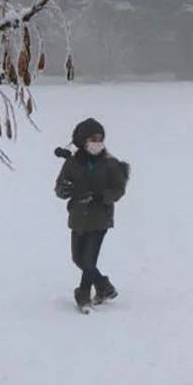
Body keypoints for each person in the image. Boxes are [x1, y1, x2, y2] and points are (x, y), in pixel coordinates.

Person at [54, 118, 130, 313]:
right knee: (78, 258)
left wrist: (101, 197)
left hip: (100, 217)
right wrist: (65, 189)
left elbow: (118, 189)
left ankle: (84, 295)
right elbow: (60, 188)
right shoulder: (72, 163)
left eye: (100, 138)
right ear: (82, 141)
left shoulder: (111, 164)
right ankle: (104, 287)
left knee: (89, 259)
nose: (97, 142)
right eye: (92, 138)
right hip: (78, 217)